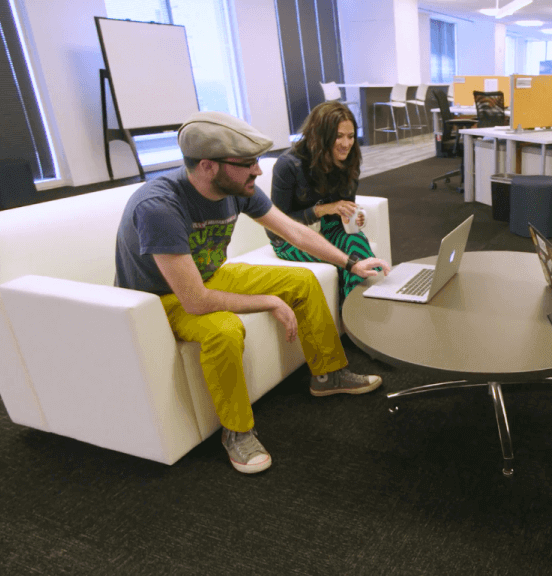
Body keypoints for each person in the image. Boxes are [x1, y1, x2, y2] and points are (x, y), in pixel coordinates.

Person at [114, 111, 391, 475]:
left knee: (302, 280)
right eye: (247, 164)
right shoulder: (159, 207)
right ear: (209, 166)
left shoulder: (236, 188)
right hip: (160, 298)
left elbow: (297, 233)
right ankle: (237, 432)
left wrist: (350, 262)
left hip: (209, 276)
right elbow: (194, 300)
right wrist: (268, 301)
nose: (258, 171)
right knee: (225, 331)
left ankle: (328, 375)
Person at [269, 101, 377, 300]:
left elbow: (340, 217)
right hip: (289, 240)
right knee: (346, 258)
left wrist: (352, 218)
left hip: (330, 230)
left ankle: (364, 314)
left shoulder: (349, 160)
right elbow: (275, 227)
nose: (346, 144)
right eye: (338, 136)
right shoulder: (288, 165)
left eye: (351, 136)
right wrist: (321, 210)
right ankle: (357, 318)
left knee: (357, 243)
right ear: (320, 136)